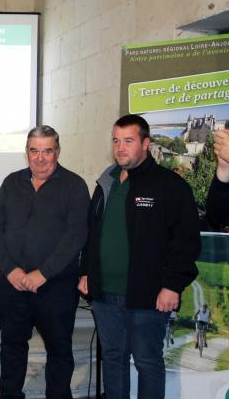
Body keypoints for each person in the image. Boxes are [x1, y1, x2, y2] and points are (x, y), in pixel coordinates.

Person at [78, 114, 200, 399]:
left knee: (147, 362)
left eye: (128, 141)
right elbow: (92, 233)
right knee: (113, 359)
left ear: (146, 143)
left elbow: (186, 241)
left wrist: (172, 285)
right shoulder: (105, 183)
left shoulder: (169, 185)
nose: (120, 148)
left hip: (148, 295)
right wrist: (86, 272)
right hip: (105, 295)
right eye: (116, 141)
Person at [0, 125, 89, 399]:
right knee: (11, 348)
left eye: (47, 151)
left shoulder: (75, 185)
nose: (40, 158)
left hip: (56, 287)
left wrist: (42, 274)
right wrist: (11, 270)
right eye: (34, 151)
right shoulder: (11, 183)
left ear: (57, 152)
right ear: (27, 152)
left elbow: (76, 235)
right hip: (14, 286)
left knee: (59, 350)